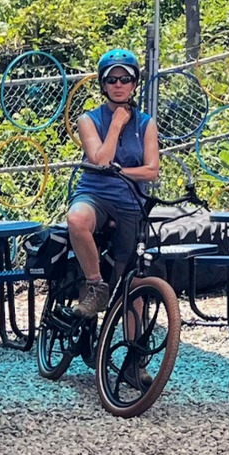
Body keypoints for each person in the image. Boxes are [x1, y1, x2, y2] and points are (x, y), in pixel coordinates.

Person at [63, 49, 161, 317]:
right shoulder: (89, 120)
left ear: (134, 84)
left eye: (125, 79)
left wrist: (123, 171)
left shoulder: (146, 123)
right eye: (112, 79)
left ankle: (134, 354)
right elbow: (101, 160)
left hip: (130, 200)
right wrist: (116, 124)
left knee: (131, 283)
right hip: (95, 193)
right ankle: (95, 285)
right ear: (103, 85)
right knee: (77, 219)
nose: (118, 84)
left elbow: (152, 170)